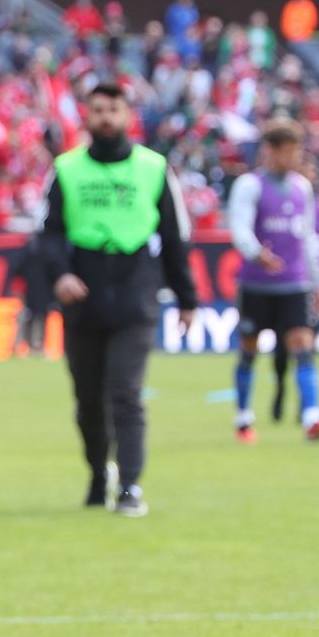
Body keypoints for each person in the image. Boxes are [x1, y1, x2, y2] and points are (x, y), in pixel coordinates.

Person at [39, 83, 198, 518]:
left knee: (125, 393)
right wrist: (61, 275)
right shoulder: (66, 169)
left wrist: (187, 298)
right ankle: (97, 472)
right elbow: (49, 234)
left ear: (128, 115)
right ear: (86, 117)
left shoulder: (154, 168)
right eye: (98, 109)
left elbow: (173, 237)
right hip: (83, 294)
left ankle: (130, 486)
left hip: (135, 293)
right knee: (88, 399)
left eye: (114, 109)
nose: (106, 117)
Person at [225, 119, 319, 443]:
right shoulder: (249, 186)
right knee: (249, 351)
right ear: (270, 151)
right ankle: (243, 418)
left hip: (294, 283)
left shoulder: (302, 187)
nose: (293, 158)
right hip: (257, 284)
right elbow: (239, 228)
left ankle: (312, 417)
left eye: (296, 150)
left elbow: (306, 237)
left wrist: (317, 282)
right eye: (287, 151)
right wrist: (256, 253)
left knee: (303, 346)